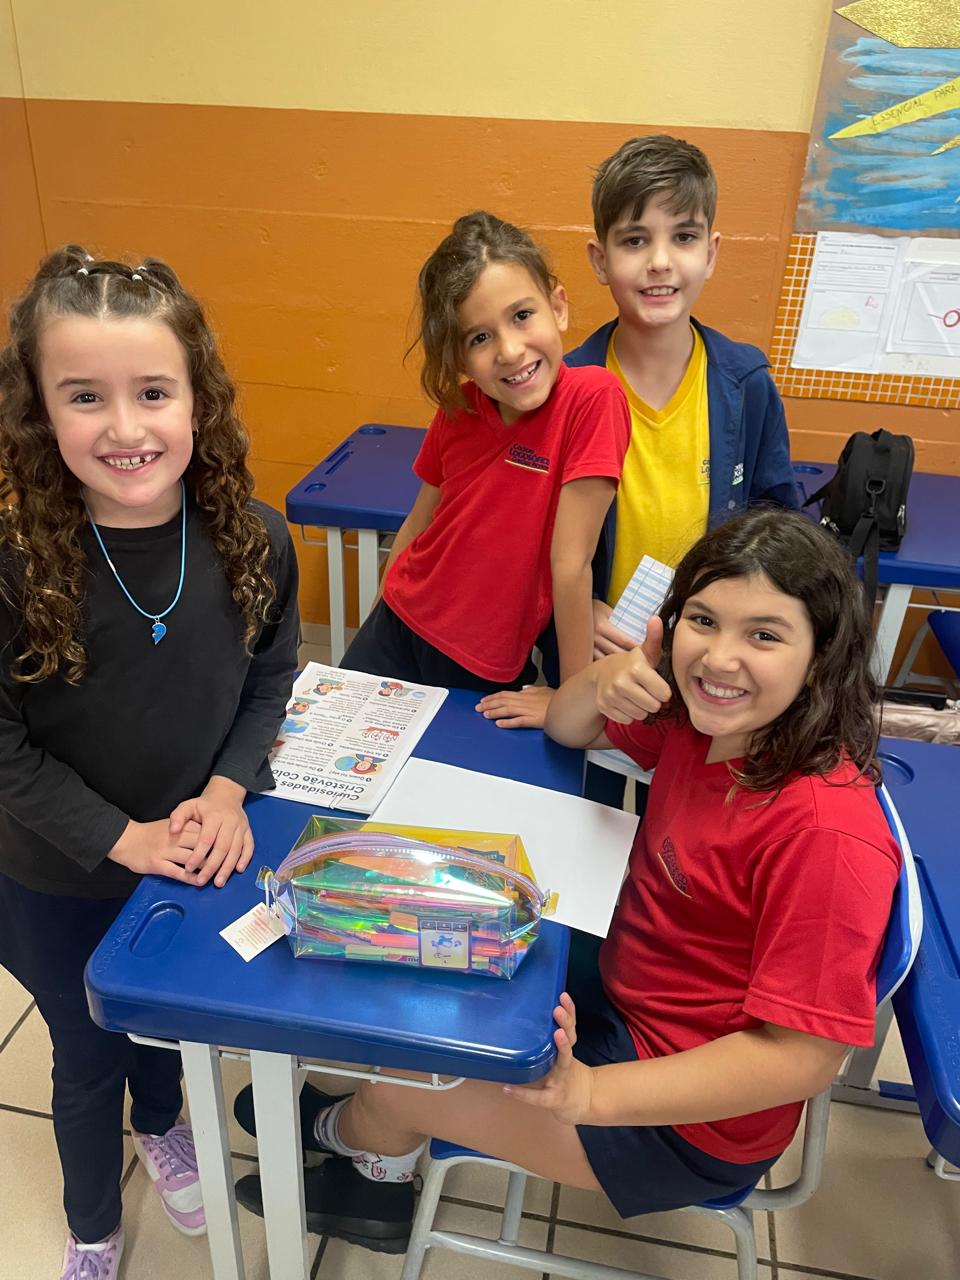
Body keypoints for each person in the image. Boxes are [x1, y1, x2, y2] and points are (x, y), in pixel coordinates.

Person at [232, 508, 899, 1252]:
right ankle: (359, 1123)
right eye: (704, 621)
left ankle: (363, 1168)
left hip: (684, 1125)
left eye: (764, 635)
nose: (719, 658)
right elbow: (571, 725)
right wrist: (612, 675)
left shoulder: (825, 834)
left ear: (823, 655)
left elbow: (802, 1058)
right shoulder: (710, 724)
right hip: (628, 993)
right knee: (421, 953)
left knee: (400, 1085)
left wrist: (592, 1092)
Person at [0, 247, 300, 1279]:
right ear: (41, 412)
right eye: (85, 396)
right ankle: (91, 1224)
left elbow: (269, 681)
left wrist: (226, 791)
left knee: (165, 1030)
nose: (125, 428)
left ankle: (164, 1124)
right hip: (57, 874)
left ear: (198, 399)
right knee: (87, 1054)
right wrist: (118, 836)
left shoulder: (256, 539)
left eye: (153, 392)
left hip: (191, 852)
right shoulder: (16, 566)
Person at [537, 133, 798, 786]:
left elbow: (778, 530)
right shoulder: (562, 390)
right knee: (587, 806)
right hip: (594, 658)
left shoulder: (744, 384)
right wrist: (579, 610)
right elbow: (526, 541)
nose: (660, 262)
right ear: (600, 259)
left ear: (711, 252)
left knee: (681, 816)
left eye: (683, 237)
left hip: (710, 671)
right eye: (634, 240)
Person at [340, 212, 630, 728]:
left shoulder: (593, 398)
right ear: (458, 357)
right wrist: (378, 613)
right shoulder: (460, 409)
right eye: (479, 338)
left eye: (522, 315)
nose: (510, 351)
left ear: (558, 307)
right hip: (397, 623)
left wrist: (571, 697)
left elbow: (571, 566)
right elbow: (418, 523)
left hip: (481, 661)